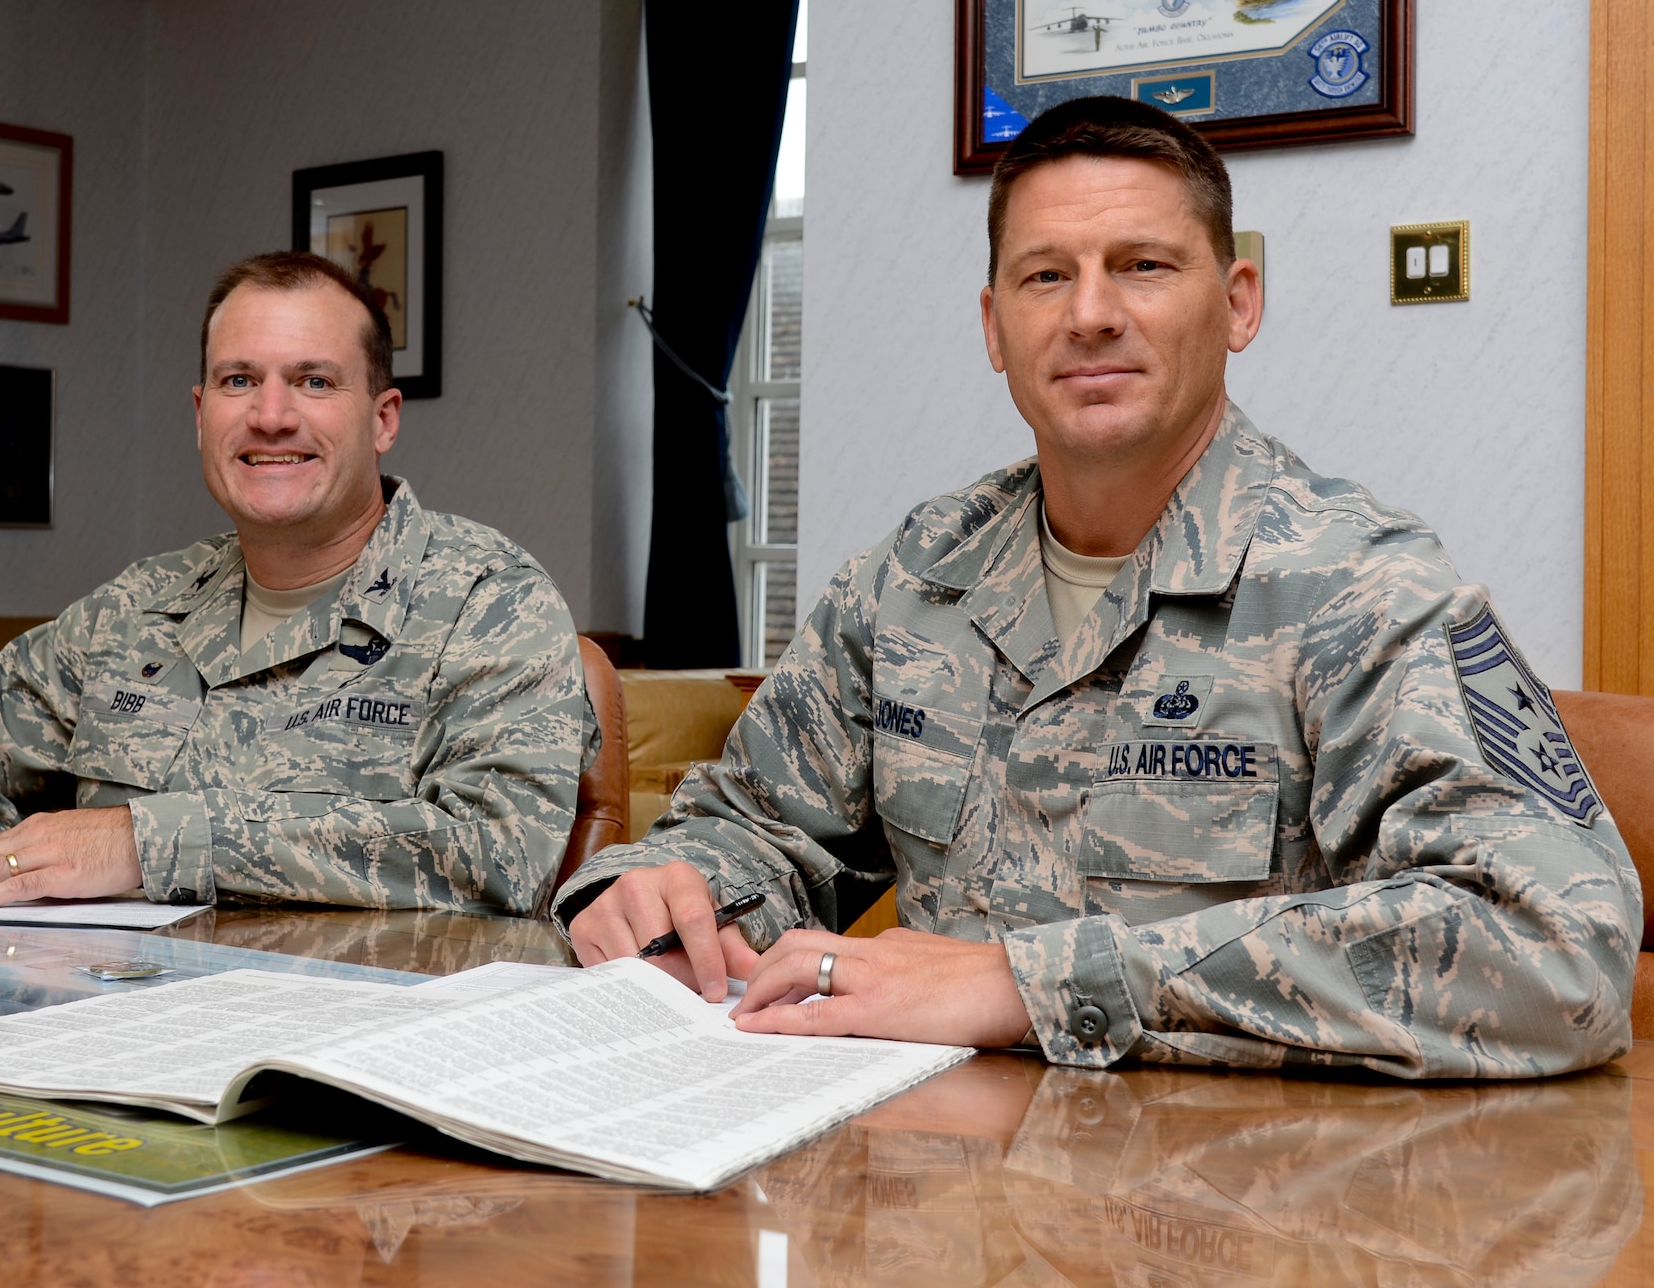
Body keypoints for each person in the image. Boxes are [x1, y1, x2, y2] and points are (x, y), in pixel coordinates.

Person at [556, 96, 1642, 1078]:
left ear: (1236, 303)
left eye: (1142, 265)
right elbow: (754, 824)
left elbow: (1555, 948)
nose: (1088, 313)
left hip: (1243, 1234)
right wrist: (664, 886)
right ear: (994, 327)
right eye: (1044, 275)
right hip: (921, 1205)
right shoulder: (911, 577)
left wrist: (1022, 983)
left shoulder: (1360, 586)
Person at [0, 251, 597, 914]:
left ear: (383, 417)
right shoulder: (137, 607)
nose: (271, 415)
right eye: (240, 380)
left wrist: (144, 839)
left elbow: (498, 850)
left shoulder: (490, 603)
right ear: (202, 414)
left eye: (313, 381)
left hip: (354, 1064)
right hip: (104, 1025)